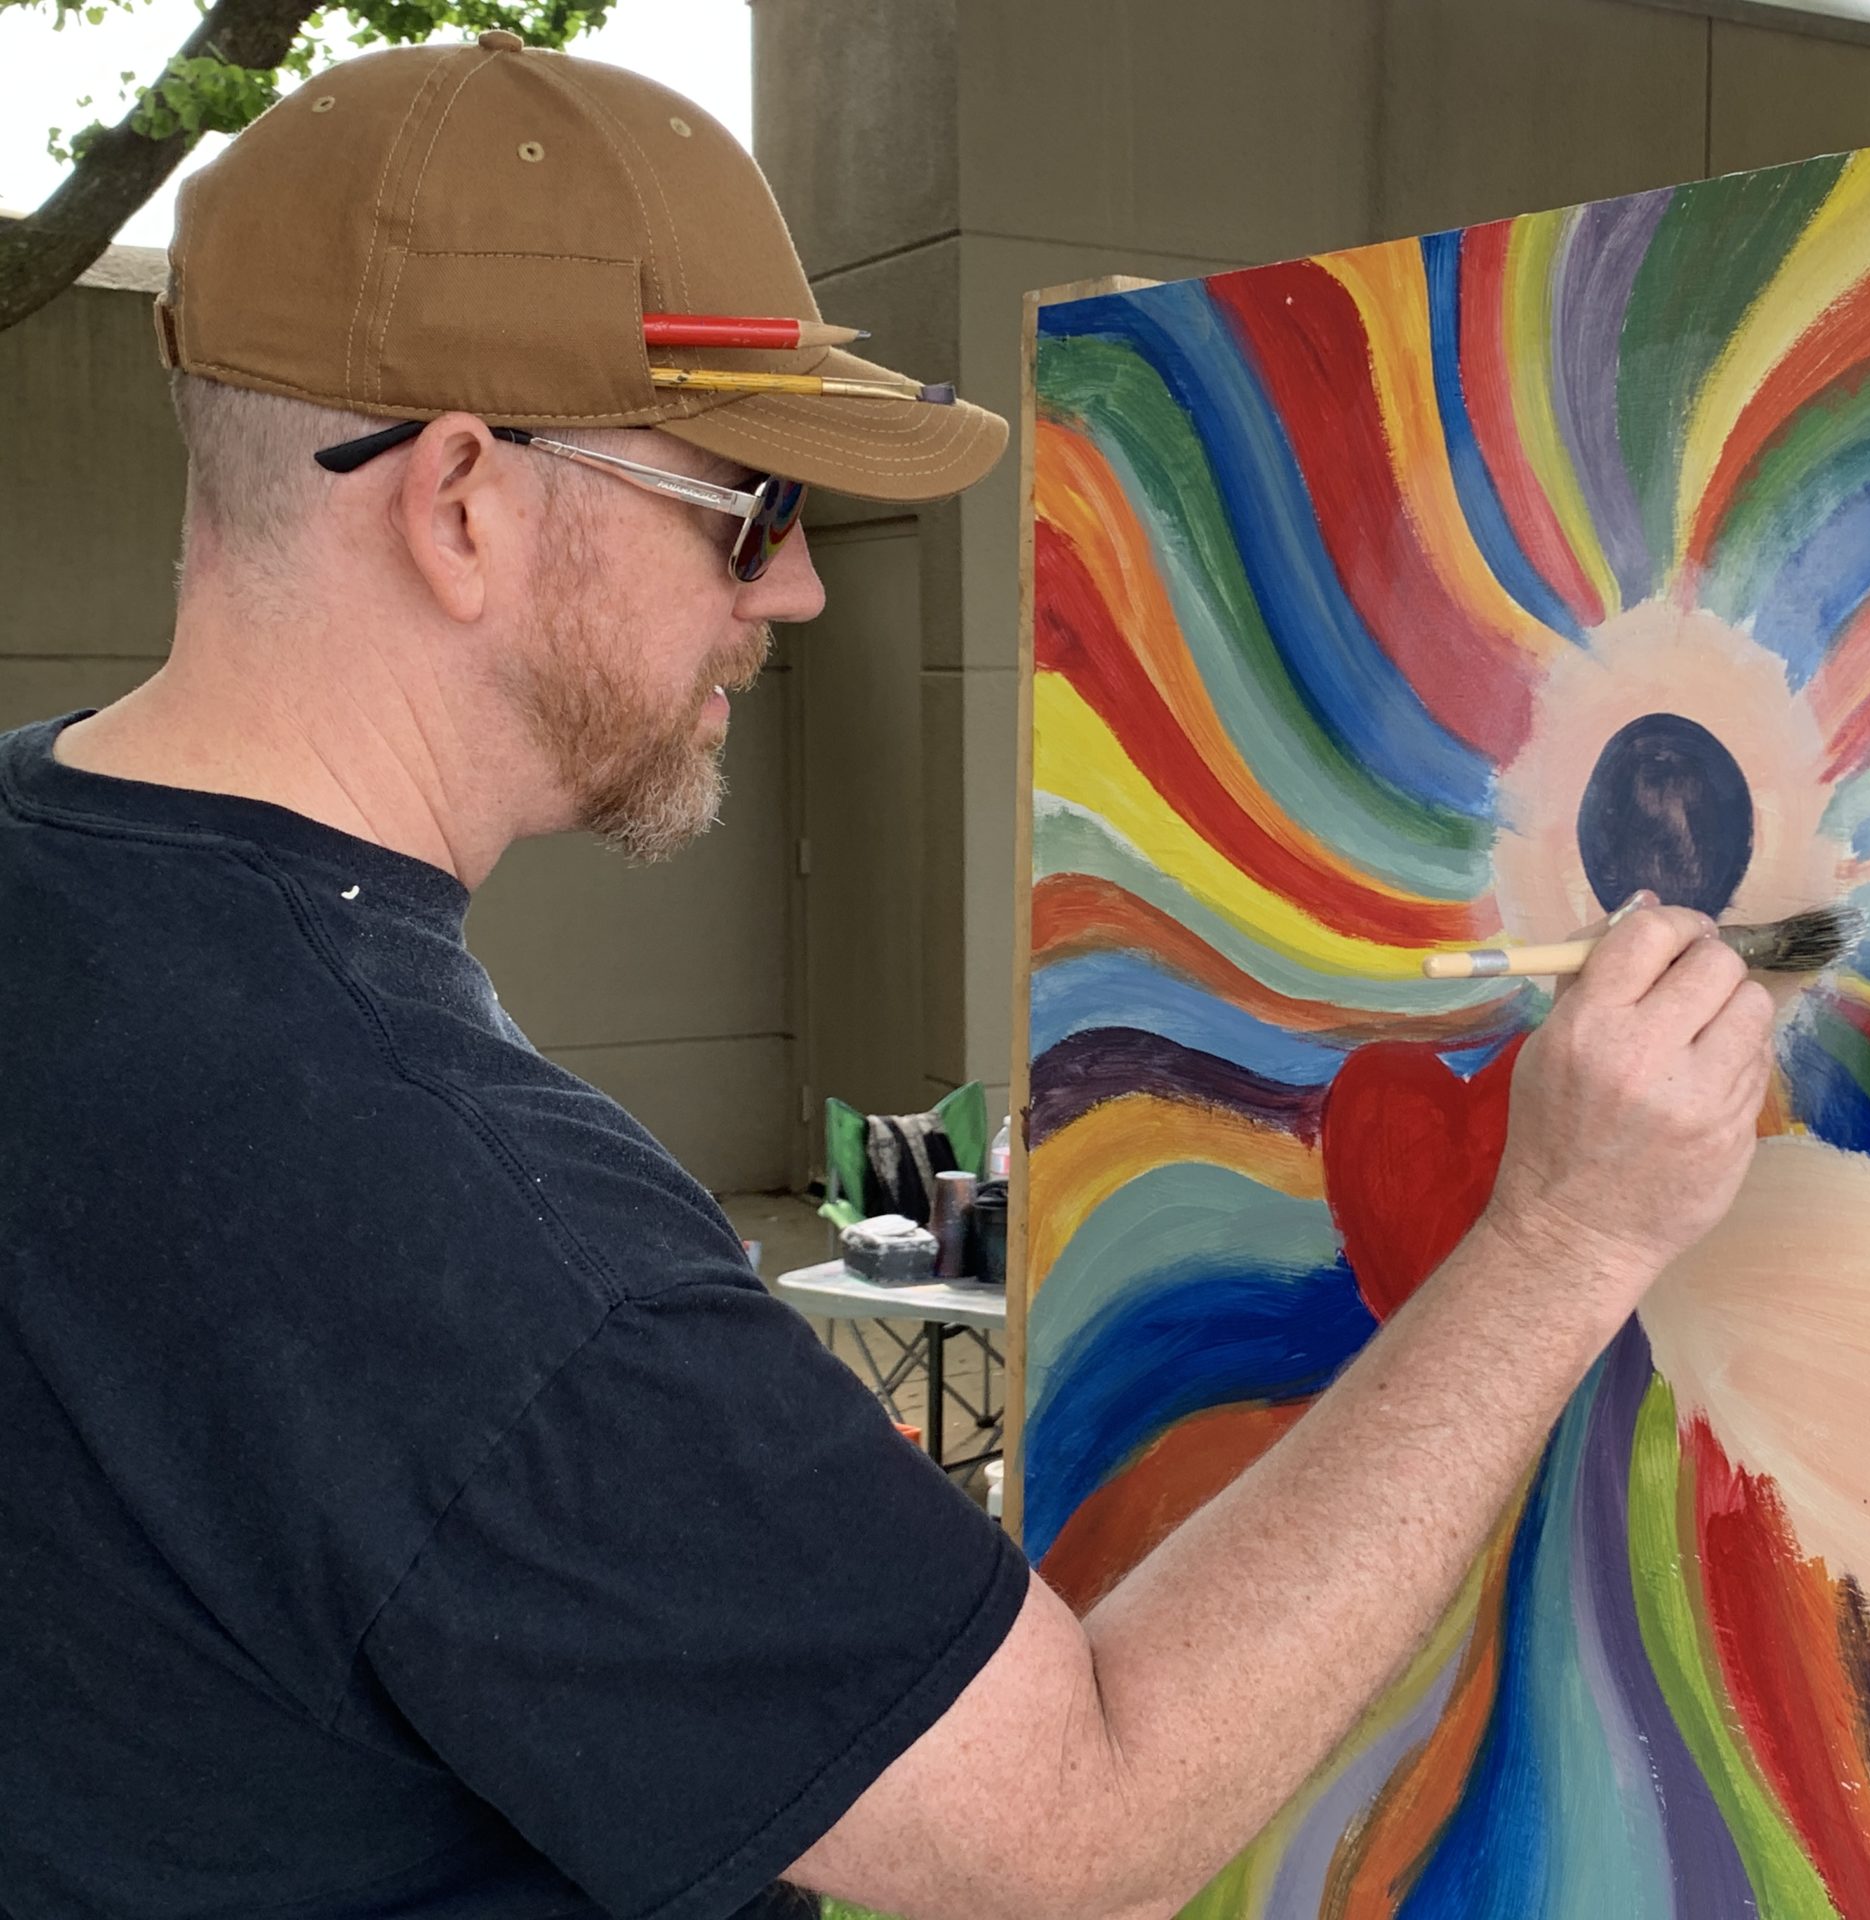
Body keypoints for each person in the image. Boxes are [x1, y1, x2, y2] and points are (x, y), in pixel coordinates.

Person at [0, 36, 1775, 1920]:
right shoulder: (472, 1243)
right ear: (461, 504)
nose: (797, 593)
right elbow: (1071, 1827)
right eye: (745, 507)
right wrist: (1564, 1241)